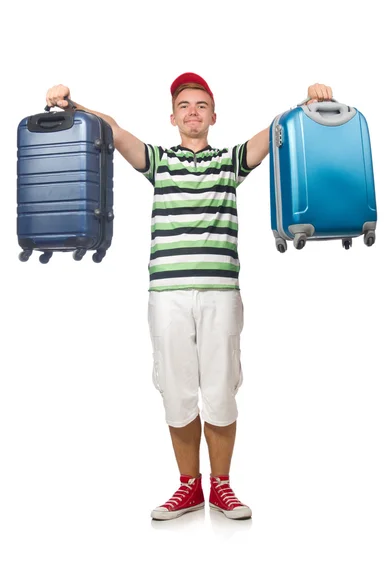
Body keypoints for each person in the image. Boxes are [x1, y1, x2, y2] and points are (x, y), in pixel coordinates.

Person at [46, 75, 333, 521]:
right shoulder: (159, 162)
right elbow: (114, 131)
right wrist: (71, 104)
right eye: (184, 105)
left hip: (221, 293)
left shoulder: (230, 162)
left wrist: (308, 99)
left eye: (201, 105)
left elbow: (276, 131)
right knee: (177, 394)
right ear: (174, 116)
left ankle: (221, 487)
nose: (193, 111)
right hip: (168, 294)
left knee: (220, 393)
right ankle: (188, 488)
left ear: (213, 116)